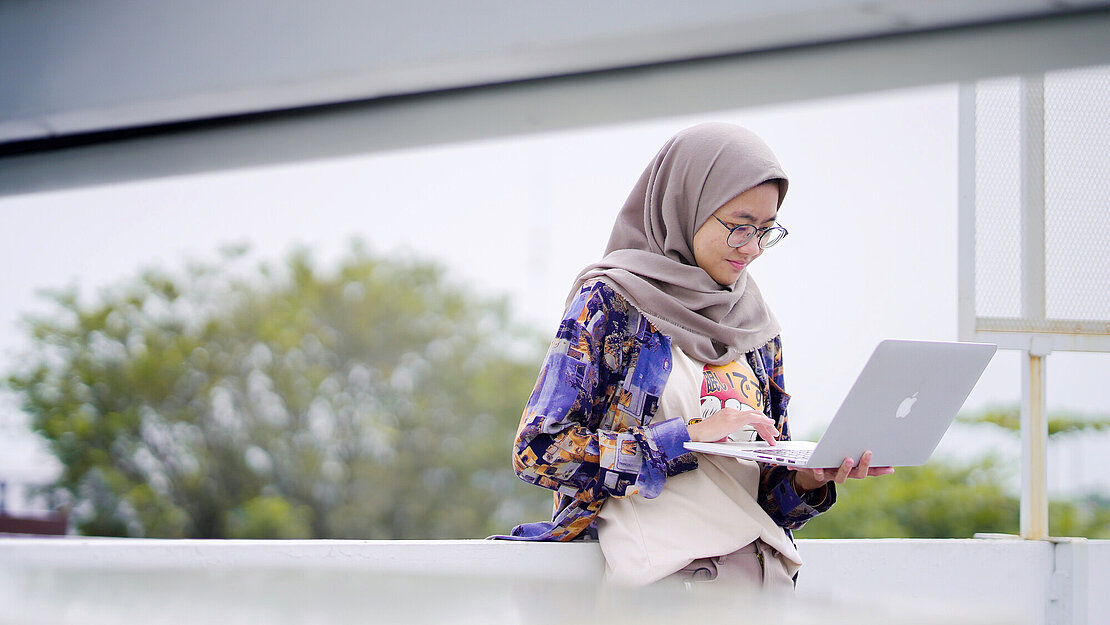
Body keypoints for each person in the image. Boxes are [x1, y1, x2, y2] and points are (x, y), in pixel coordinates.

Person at [499, 122, 893, 590]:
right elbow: (538, 451)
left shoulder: (754, 323)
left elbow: (762, 500)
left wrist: (808, 479)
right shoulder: (613, 302)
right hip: (667, 585)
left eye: (766, 231)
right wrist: (683, 439)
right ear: (685, 206)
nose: (751, 248)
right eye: (739, 227)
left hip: (765, 579)